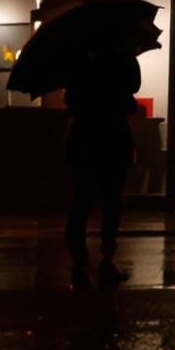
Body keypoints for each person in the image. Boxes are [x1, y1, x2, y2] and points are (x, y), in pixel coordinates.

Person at [63, 45, 141, 284]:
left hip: (84, 139)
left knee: (80, 201)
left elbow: (71, 102)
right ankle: (106, 257)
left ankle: (79, 259)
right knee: (112, 200)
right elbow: (131, 99)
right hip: (113, 139)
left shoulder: (79, 60)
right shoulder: (123, 59)